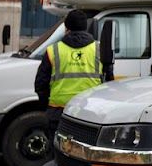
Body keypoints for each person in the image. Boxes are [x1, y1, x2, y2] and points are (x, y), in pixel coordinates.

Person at [34, 9, 103, 142]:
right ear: (85, 27)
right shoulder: (98, 49)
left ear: (66, 27)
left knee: (58, 153)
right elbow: (108, 82)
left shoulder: (53, 51)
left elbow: (40, 84)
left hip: (58, 113)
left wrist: (47, 106)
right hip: (89, 112)